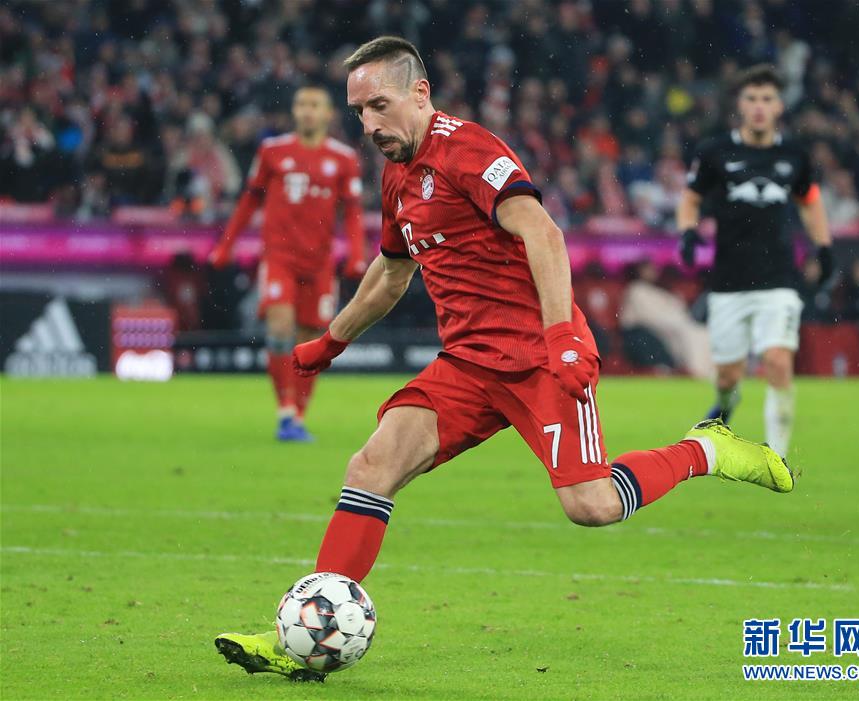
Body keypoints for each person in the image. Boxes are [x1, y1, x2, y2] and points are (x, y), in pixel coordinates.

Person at [215, 38, 793, 681]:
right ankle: (302, 636)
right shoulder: (396, 173)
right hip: (467, 364)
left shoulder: (468, 149)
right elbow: (392, 271)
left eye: (379, 105)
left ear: (420, 93)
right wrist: (333, 340)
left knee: (592, 505)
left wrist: (562, 335)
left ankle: (704, 450)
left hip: (540, 356)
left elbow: (543, 231)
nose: (369, 124)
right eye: (358, 112)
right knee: (371, 466)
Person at [676, 64, 833, 457]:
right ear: (740, 105)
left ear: (779, 106)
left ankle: (776, 458)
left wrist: (823, 246)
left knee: (777, 360)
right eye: (752, 98)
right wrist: (688, 232)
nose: (759, 106)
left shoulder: (794, 155)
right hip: (729, 281)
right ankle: (726, 402)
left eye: (767, 99)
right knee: (728, 375)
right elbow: (691, 198)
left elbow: (810, 201)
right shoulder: (715, 152)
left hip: (779, 278)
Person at [209, 86, 367, 442]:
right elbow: (249, 200)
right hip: (279, 257)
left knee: (311, 339)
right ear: (295, 112)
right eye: (301, 105)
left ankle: (297, 415)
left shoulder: (343, 159)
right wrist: (225, 245)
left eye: (314, 105)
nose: (307, 111)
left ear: (328, 114)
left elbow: (353, 212)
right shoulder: (272, 151)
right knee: (280, 328)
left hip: (320, 263)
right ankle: (284, 410)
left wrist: (357, 253)